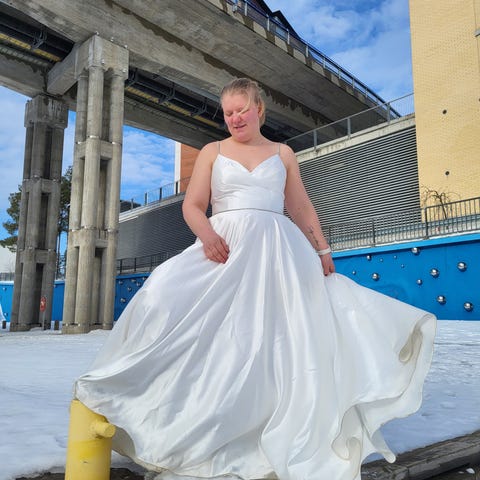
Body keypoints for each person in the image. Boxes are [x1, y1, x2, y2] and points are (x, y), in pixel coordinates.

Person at [74, 78, 436, 480]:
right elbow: (193, 205)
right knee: (169, 300)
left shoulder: (283, 154)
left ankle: (271, 428)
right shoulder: (212, 152)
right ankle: (182, 415)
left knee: (280, 340)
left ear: (259, 109)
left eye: (241, 110)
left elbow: (300, 206)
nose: (234, 118)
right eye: (228, 112)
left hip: (280, 253)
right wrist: (208, 236)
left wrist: (322, 249)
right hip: (225, 250)